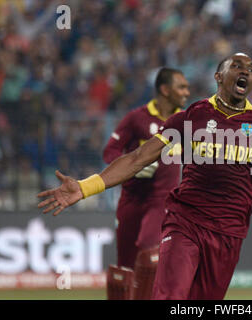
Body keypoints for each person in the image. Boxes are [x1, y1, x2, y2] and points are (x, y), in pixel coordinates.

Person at [38, 53, 252, 300]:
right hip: (185, 222)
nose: (245, 70)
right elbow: (139, 157)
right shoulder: (192, 117)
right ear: (219, 77)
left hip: (229, 234)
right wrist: (85, 187)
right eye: (237, 65)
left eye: (250, 67)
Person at [103, 67, 189, 300]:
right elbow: (110, 151)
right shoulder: (136, 118)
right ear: (164, 89)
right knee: (124, 267)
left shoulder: (186, 122)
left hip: (162, 201)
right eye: (181, 87)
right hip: (131, 200)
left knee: (150, 251)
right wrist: (131, 170)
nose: (187, 92)